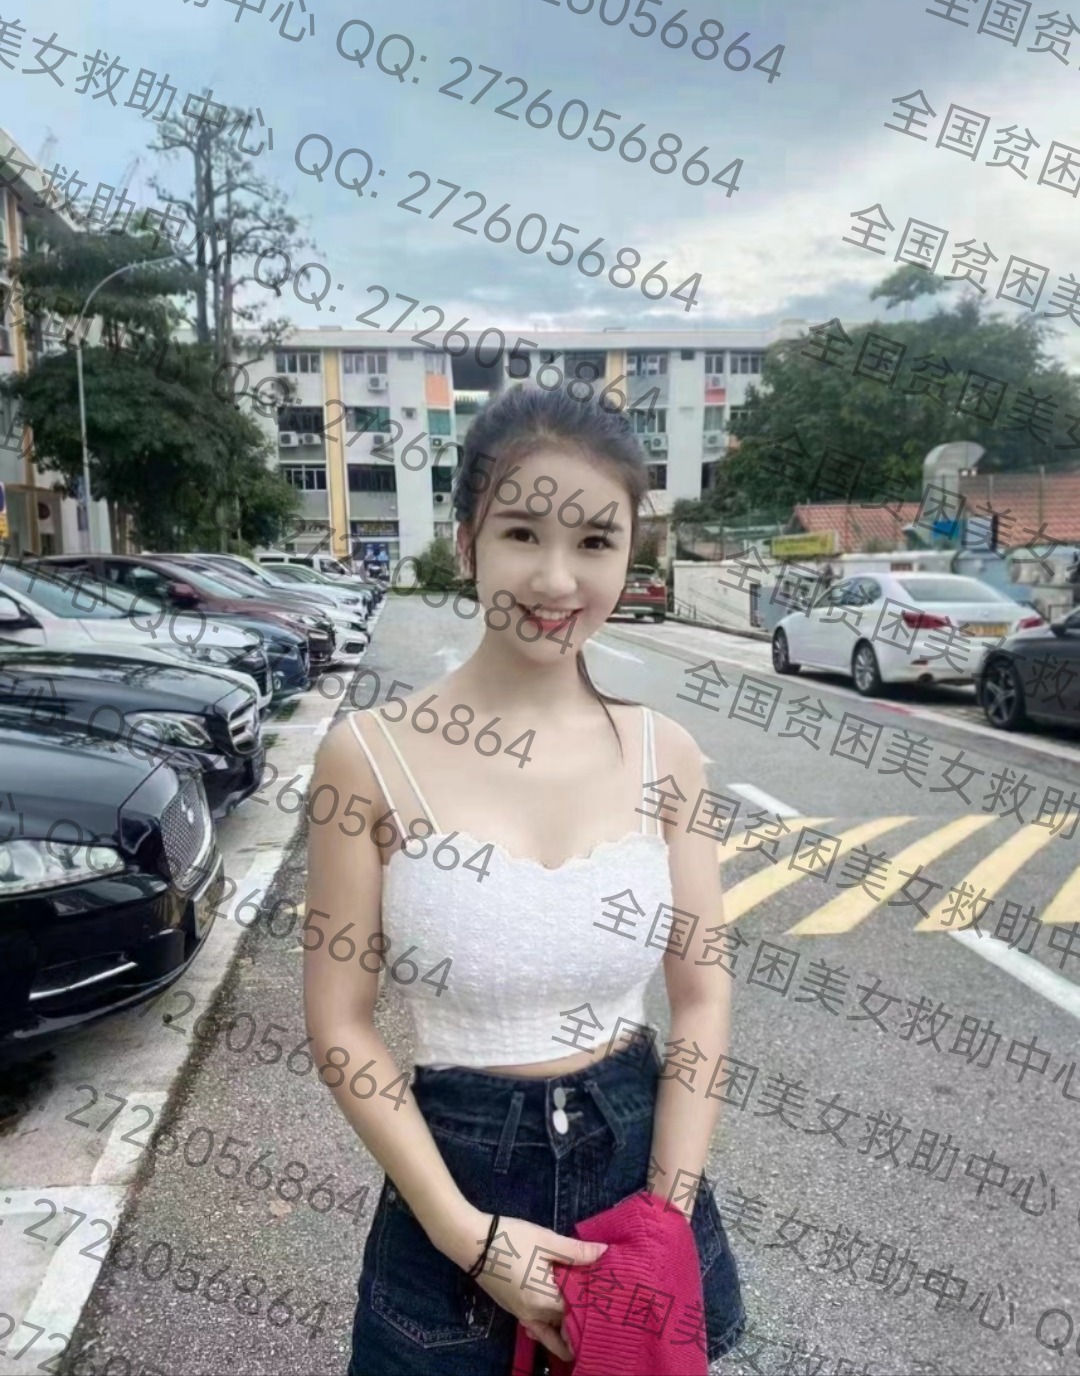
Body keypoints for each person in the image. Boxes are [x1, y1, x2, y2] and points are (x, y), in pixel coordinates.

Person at [304, 386, 745, 1376]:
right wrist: (468, 1235)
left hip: (640, 1173)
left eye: (594, 540)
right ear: (466, 543)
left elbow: (703, 994)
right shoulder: (367, 757)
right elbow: (339, 1023)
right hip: (453, 1188)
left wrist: (663, 1221)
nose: (555, 577)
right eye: (521, 533)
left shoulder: (666, 755)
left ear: (631, 553)